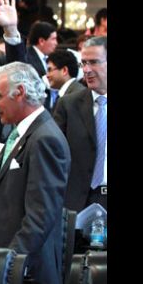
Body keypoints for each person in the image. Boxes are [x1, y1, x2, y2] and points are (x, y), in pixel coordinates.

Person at [0, 61, 70, 284]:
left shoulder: (45, 138)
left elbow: (40, 216)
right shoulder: (21, 132)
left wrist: (8, 263)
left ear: (20, 93)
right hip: (8, 268)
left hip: (24, 276)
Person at [53, 36, 107, 211]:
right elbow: (53, 154)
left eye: (94, 62)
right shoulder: (68, 105)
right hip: (76, 202)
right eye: (83, 63)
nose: (87, 70)